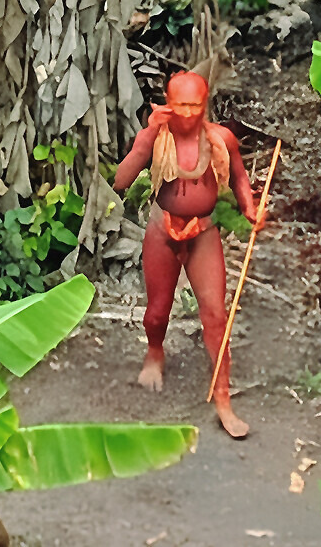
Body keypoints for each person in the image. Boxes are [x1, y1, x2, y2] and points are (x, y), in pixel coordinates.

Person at [113, 71, 263, 438]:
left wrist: (249, 206)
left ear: (205, 103)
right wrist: (146, 137)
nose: (188, 114)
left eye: (195, 106)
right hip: (162, 230)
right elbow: (120, 180)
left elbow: (240, 177)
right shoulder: (155, 137)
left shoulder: (220, 139)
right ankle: (154, 352)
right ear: (167, 103)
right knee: (157, 312)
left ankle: (224, 399)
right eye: (180, 106)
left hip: (204, 232)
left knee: (215, 314)